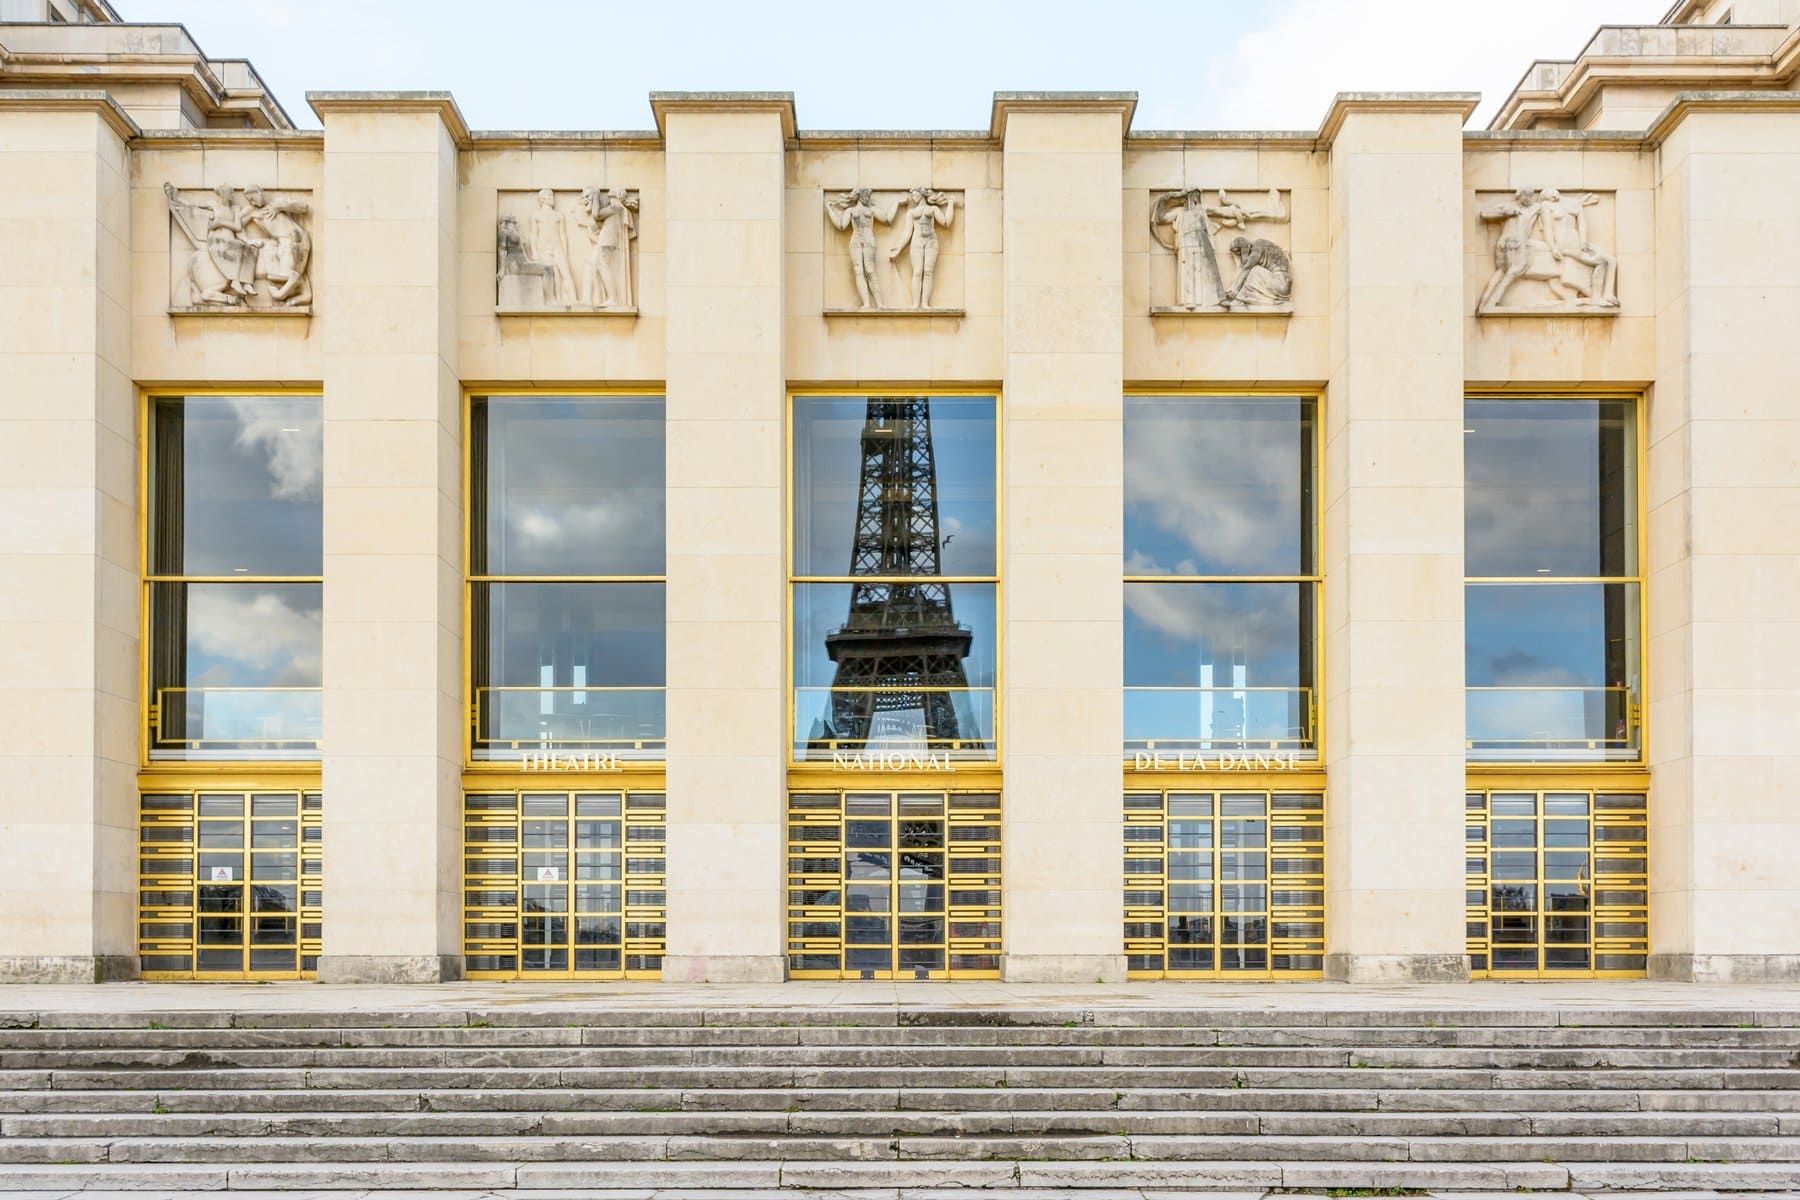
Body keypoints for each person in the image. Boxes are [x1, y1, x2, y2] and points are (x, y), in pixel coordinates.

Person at [1536, 188, 1617, 308]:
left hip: (1577, 242)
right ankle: (1596, 297)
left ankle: (1608, 294)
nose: (1552, 195)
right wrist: (1553, 248)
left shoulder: (1572, 204)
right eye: (1548, 194)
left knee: (1611, 260)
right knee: (1602, 262)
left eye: (1552, 191)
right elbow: (1547, 229)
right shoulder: (1546, 206)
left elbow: (1582, 223)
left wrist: (1583, 240)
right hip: (1563, 244)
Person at [826, 188, 897, 310]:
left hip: (869, 241)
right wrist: (829, 209)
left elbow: (887, 219)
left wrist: (896, 203)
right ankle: (867, 304)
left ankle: (879, 304)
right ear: (860, 196)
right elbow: (841, 226)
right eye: (866, 195)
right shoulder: (851, 211)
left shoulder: (872, 210)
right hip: (856, 241)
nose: (867, 198)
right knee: (859, 271)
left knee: (870, 271)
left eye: (869, 196)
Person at [1151, 189, 1222, 308]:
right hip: (1186, 241)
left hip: (1201, 241)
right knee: (1187, 271)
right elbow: (1161, 218)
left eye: (1197, 195)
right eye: (1192, 194)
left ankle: (1203, 301)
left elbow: (1220, 211)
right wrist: (1166, 198)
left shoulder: (1203, 209)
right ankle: (1188, 301)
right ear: (1186, 196)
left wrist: (1238, 212)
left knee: (1201, 271)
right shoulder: (1180, 211)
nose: (1194, 197)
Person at [889, 187, 955, 309]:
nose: (914, 197)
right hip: (917, 241)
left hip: (931, 241)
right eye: (913, 196)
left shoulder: (933, 209)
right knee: (918, 271)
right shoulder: (911, 213)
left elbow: (946, 223)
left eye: (915, 194)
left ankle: (925, 303)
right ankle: (916, 303)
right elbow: (907, 232)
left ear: (922, 194)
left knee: (928, 271)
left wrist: (950, 204)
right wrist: (898, 248)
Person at [243, 186, 311, 306]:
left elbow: (304, 207)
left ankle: (280, 295)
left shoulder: (277, 202)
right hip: (285, 244)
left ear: (259, 193)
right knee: (287, 275)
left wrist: (280, 206)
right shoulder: (251, 211)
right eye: (250, 201)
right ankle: (295, 297)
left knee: (288, 276)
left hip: (297, 240)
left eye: (253, 198)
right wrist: (247, 240)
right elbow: (236, 225)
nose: (253, 202)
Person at [1477, 187, 1540, 311]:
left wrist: (1576, 204)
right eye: (1526, 195)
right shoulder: (1509, 206)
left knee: (1502, 272)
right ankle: (1492, 301)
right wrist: (1506, 212)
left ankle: (1484, 303)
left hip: (1520, 244)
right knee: (1516, 269)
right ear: (1519, 195)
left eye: (1530, 195)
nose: (1528, 198)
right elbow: (1484, 213)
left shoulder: (1534, 208)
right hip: (1509, 244)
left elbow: (1550, 204)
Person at [578, 187, 638, 309]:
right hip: (606, 240)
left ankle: (613, 299)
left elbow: (597, 215)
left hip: (608, 241)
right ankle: (589, 299)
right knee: (591, 263)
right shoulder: (617, 208)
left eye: (611, 196)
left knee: (601, 264)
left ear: (615, 196)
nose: (609, 197)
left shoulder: (616, 207)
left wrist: (595, 196)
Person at [525, 189, 574, 307]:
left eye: (552, 195)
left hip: (558, 248)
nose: (552, 198)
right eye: (549, 195)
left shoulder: (558, 215)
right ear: (542, 199)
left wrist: (565, 251)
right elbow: (533, 234)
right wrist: (534, 252)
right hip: (543, 248)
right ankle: (553, 300)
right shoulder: (536, 214)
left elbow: (563, 234)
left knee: (566, 274)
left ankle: (574, 300)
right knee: (551, 274)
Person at [1220, 236, 1292, 308]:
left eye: (1239, 251)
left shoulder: (1257, 248)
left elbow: (1245, 269)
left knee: (1255, 270)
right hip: (1280, 282)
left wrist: (1234, 292)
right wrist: (1232, 288)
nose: (1239, 255)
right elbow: (1244, 269)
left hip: (1281, 283)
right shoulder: (1258, 246)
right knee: (1253, 274)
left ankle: (1238, 300)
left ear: (1244, 248)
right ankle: (1240, 299)